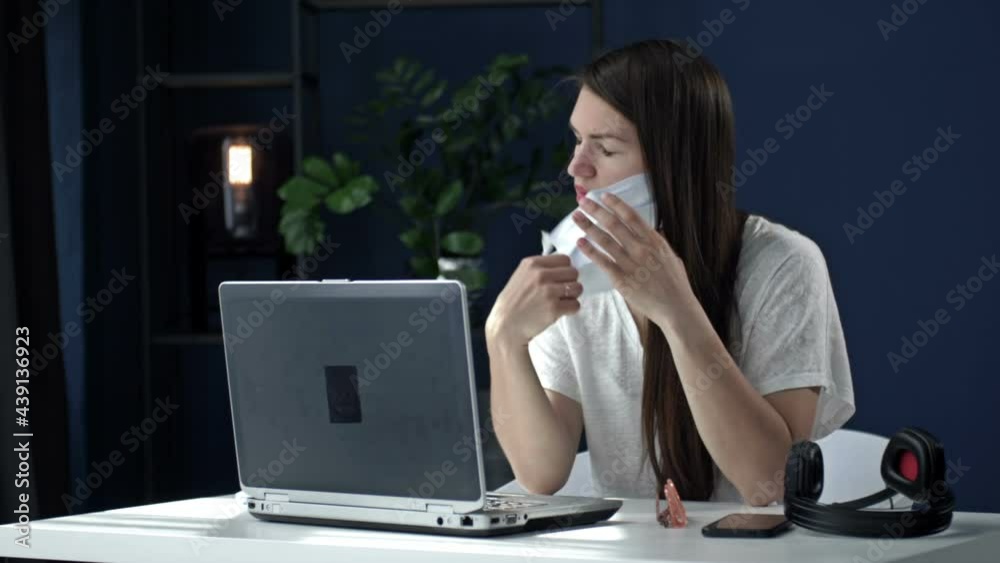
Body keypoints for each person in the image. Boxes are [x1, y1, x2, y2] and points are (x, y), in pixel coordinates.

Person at [485, 39, 855, 506]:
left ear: (675, 163)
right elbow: (542, 473)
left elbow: (771, 482)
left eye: (606, 148)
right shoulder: (575, 274)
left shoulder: (784, 263)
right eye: (578, 140)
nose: (575, 167)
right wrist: (503, 338)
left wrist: (677, 311)